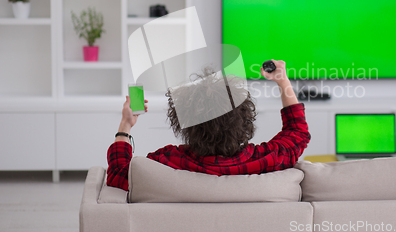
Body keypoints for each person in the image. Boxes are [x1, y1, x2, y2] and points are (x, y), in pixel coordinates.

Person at [106, 59, 310, 191]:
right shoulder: (268, 160)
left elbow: (117, 174)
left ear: (185, 124)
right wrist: (282, 81)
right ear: (244, 117)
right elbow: (297, 131)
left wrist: (125, 125)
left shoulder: (165, 162)